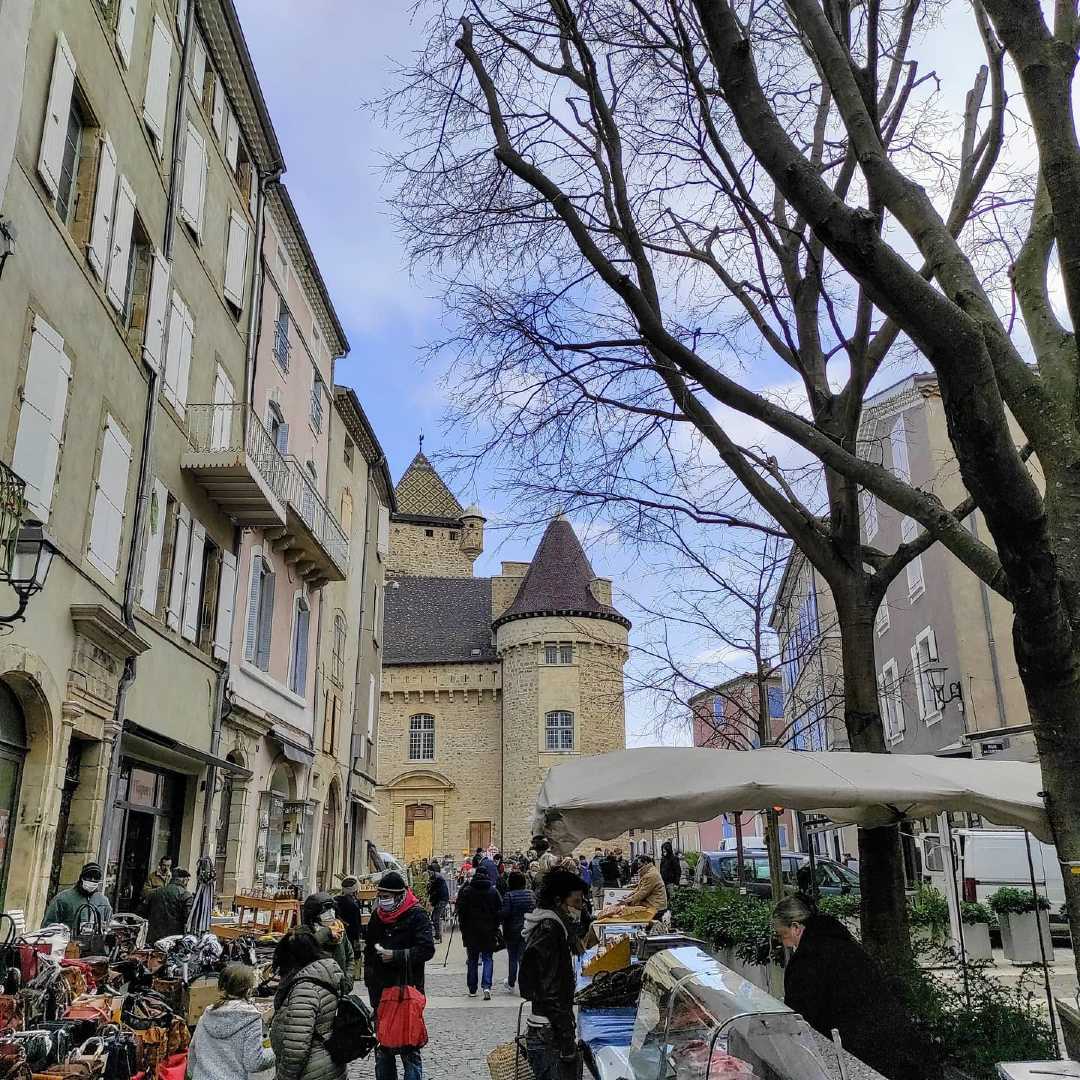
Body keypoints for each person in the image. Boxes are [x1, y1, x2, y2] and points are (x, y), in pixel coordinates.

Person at [772, 897, 936, 1080]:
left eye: (782, 935)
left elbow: (800, 1021)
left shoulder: (807, 959)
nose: (783, 943)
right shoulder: (845, 944)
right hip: (900, 1043)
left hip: (866, 1052)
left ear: (795, 927)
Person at [364, 872, 434, 1080]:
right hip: (381, 990)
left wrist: (396, 956)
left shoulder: (417, 915)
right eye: (380, 896)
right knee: (382, 1047)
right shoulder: (377, 916)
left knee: (409, 1046)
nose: (382, 900)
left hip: (407, 989)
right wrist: (370, 977)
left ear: (399, 895)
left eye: (386, 896)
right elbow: (369, 949)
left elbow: (426, 950)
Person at [519, 867, 588, 1080]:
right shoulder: (550, 931)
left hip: (547, 1029)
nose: (580, 907)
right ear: (559, 901)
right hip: (549, 1033)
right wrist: (566, 1040)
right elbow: (550, 992)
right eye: (576, 901)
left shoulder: (554, 927)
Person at [270, 928, 345, 1080]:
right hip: (328, 1064)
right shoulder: (322, 975)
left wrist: (283, 1077)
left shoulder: (304, 990)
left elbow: (296, 1048)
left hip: (312, 1070)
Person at [187, 962, 275, 1080]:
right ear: (248, 990)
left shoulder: (207, 1015)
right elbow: (254, 1063)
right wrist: (276, 1051)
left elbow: (192, 1053)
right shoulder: (251, 1019)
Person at [455, 866, 502, 1000]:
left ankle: (472, 988)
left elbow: (461, 911)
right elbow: (499, 910)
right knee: (487, 958)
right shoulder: (493, 891)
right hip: (489, 930)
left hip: (471, 931)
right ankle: (486, 986)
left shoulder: (467, 891)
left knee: (472, 960)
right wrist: (496, 925)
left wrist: (463, 928)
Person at [301, 892, 353, 990]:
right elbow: (305, 949)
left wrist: (348, 979)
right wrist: (327, 932)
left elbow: (349, 956)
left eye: (332, 909)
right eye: (325, 910)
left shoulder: (340, 929)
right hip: (313, 989)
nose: (330, 913)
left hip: (338, 987)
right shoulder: (304, 931)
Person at [43, 861, 112, 934]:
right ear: (81, 878)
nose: (92, 880)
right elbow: (47, 927)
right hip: (68, 940)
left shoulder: (103, 902)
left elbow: (109, 926)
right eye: (89, 877)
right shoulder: (63, 899)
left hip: (95, 940)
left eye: (96, 878)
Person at [501, 870, 535, 992]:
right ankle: (525, 983)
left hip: (512, 930)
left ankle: (511, 982)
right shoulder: (531, 894)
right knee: (523, 957)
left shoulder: (509, 895)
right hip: (527, 928)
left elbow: (505, 913)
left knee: (512, 957)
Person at [142, 866, 193, 942]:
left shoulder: (156, 892)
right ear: (184, 880)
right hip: (173, 939)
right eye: (188, 880)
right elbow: (189, 919)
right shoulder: (185, 895)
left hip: (153, 938)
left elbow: (143, 912)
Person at [334, 877, 364, 959]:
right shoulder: (353, 906)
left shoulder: (335, 901)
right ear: (355, 890)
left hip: (337, 936)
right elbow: (356, 929)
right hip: (350, 938)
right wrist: (357, 952)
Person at [427, 862, 450, 944]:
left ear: (432, 871)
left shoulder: (437, 878)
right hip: (442, 899)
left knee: (435, 918)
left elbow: (435, 892)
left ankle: (438, 936)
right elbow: (433, 891)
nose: (428, 873)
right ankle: (437, 935)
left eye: (429, 872)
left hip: (442, 900)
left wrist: (431, 903)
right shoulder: (436, 877)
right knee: (434, 917)